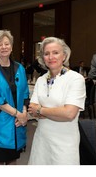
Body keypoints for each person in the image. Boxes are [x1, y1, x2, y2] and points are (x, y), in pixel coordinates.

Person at [27, 36, 86, 165]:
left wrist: (41, 110)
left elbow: (69, 114)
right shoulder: (41, 79)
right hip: (41, 140)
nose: (51, 57)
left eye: (55, 52)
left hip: (65, 143)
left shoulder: (75, 79)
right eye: (46, 54)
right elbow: (32, 109)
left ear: (64, 56)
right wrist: (56, 112)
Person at [0, 30, 29, 165]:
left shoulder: (20, 68)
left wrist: (24, 114)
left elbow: (25, 93)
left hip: (17, 124)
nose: (3, 47)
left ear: (12, 47)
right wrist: (17, 114)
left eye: (7, 44)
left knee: (13, 161)